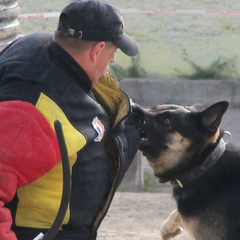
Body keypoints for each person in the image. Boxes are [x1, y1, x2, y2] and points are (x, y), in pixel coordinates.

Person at [0, 0, 141, 239]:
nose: (112, 61)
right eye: (112, 52)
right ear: (97, 51)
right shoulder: (33, 112)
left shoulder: (34, 46)